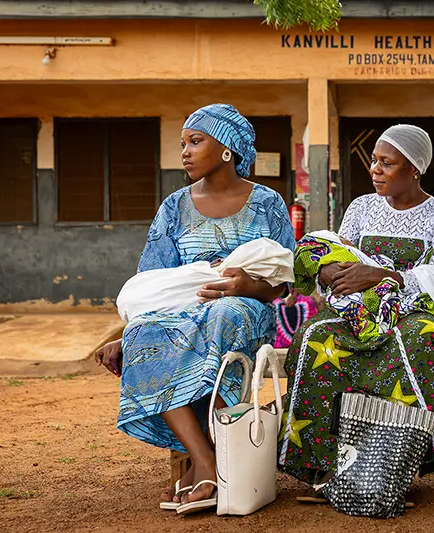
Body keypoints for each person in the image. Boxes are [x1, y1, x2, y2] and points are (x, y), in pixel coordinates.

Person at [94, 104, 296, 514]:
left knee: (224, 315)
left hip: (244, 307)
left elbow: (283, 281)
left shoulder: (267, 203)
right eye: (182, 143)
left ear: (226, 149)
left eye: (195, 141)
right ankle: (206, 457)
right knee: (144, 333)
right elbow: (152, 284)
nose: (184, 151)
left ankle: (213, 455)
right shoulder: (173, 207)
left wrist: (246, 286)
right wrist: (122, 335)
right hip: (179, 309)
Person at [278, 124, 434, 492]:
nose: (375, 170)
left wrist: (380, 275)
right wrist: (329, 270)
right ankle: (323, 463)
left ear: (414, 168)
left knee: (416, 342)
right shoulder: (361, 207)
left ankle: (395, 465)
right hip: (357, 307)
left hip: (415, 310)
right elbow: (340, 253)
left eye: (387, 163)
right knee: (314, 337)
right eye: (374, 161)